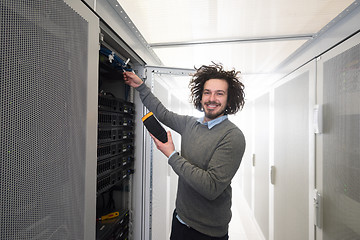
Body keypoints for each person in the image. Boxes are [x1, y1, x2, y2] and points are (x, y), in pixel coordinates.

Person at [123, 63, 246, 240]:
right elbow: (163, 114)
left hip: (208, 232)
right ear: (200, 95)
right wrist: (141, 87)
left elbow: (211, 187)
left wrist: (172, 155)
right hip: (180, 220)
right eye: (207, 92)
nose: (212, 98)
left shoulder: (232, 136)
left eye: (219, 93)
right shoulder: (190, 124)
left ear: (229, 99)